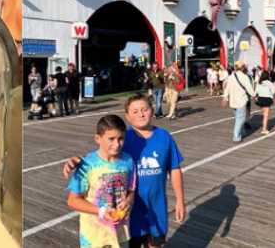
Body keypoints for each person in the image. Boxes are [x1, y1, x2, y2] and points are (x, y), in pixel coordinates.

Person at [64, 95, 185, 248]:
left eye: (144, 109)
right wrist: (79, 160)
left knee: (155, 243)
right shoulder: (123, 137)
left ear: (152, 110)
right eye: (135, 111)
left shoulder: (164, 137)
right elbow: (101, 154)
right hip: (127, 218)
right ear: (127, 116)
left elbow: (174, 169)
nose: (141, 114)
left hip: (156, 209)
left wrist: (180, 200)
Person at [66, 115, 136, 248]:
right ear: (97, 138)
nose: (117, 144)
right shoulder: (87, 165)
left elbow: (131, 189)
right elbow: (73, 200)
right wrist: (102, 211)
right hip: (94, 236)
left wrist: (128, 201)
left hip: (120, 233)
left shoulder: (128, 161)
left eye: (121, 138)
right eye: (111, 139)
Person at [222, 61, 254, 143]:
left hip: (233, 101)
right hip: (241, 100)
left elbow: (227, 88)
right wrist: (254, 95)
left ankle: (241, 132)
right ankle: (236, 136)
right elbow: (249, 89)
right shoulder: (244, 77)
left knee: (237, 118)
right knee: (241, 119)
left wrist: (225, 98)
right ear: (243, 67)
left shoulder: (231, 76)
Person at [254, 70, 275, 134]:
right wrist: (270, 94)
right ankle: (264, 129)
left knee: (264, 114)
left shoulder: (259, 82)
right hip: (267, 99)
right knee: (266, 115)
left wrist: (255, 97)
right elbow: (274, 90)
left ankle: (264, 127)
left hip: (260, 99)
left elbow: (255, 92)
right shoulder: (269, 83)